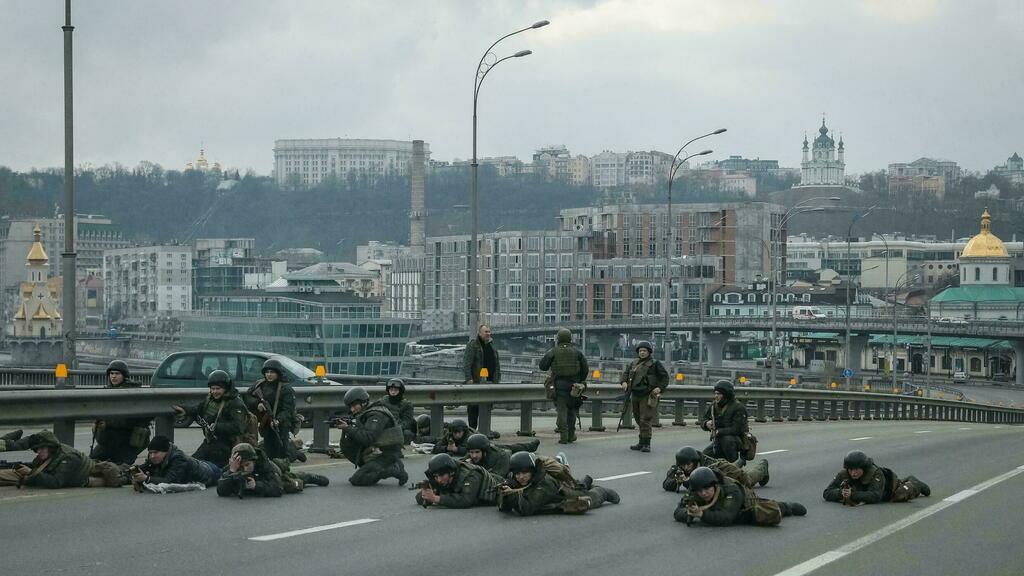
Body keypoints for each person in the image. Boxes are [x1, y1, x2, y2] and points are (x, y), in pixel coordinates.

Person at [674, 467, 806, 527]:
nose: (703, 493)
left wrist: (702, 514)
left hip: (745, 503)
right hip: (717, 509)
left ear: (715, 485)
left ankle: (787, 506)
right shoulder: (695, 489)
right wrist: (689, 513)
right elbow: (678, 511)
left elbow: (726, 518)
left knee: (762, 512)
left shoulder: (731, 489)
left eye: (707, 489)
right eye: (700, 491)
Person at [498, 451, 619, 516]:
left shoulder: (544, 484)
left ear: (532, 471)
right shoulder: (514, 479)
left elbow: (527, 508)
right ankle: (583, 482)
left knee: (589, 497)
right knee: (579, 485)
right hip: (553, 490)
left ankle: (602, 491)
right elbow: (504, 508)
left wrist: (511, 494)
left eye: (524, 473)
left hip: (563, 493)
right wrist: (505, 491)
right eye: (517, 474)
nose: (521, 477)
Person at [172, 370, 249, 468]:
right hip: (210, 442)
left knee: (207, 469)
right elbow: (198, 409)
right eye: (212, 389)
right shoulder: (210, 399)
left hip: (226, 447)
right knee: (190, 465)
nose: (215, 392)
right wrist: (185, 410)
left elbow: (238, 427)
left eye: (218, 389)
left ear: (226, 388)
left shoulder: (235, 403)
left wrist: (217, 426)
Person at [333, 387, 408, 486]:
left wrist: (348, 428)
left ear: (363, 402)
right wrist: (348, 425)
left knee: (357, 480)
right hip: (377, 451)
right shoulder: (365, 413)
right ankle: (372, 467)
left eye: (354, 405)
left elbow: (368, 438)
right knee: (349, 442)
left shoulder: (376, 415)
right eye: (350, 406)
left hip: (387, 454)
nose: (352, 409)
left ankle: (394, 468)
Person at [0, 430, 124, 489]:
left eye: (41, 449)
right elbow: (37, 469)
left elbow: (56, 482)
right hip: (71, 476)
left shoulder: (69, 458)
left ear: (50, 447)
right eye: (37, 449)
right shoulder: (48, 454)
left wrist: (31, 473)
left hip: (88, 477)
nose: (38, 452)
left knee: (119, 474)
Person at [90, 360, 151, 465]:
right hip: (109, 441)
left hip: (127, 441)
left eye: (117, 374)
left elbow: (134, 419)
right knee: (92, 463)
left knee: (120, 468)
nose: (114, 376)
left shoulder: (132, 392)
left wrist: (108, 422)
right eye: (111, 373)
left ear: (124, 375)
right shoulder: (106, 392)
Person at [243, 358, 303, 462]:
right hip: (266, 421)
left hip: (282, 423)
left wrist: (278, 420)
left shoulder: (285, 388)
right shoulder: (260, 384)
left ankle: (294, 454)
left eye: (272, 372)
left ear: (278, 373)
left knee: (282, 451)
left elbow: (288, 410)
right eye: (267, 372)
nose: (269, 375)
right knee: (269, 449)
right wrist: (257, 404)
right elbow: (247, 397)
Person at [823, 450, 931, 505]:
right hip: (866, 491)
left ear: (863, 468)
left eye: (856, 469)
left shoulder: (875, 473)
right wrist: (840, 493)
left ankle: (915, 483)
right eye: (850, 470)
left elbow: (875, 496)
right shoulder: (844, 474)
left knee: (900, 495)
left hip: (891, 489)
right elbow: (827, 492)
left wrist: (852, 495)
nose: (853, 473)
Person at [539, 328, 589, 444]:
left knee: (562, 410)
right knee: (571, 410)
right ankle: (571, 435)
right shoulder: (577, 352)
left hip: (559, 386)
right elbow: (585, 369)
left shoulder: (553, 351)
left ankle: (563, 436)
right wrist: (579, 381)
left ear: (558, 339)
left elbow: (542, 366)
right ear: (570, 339)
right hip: (574, 387)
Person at [619, 341, 669, 452]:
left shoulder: (655, 364)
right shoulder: (634, 363)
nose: (642, 353)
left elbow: (665, 378)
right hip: (635, 394)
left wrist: (659, 388)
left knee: (645, 419)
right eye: (640, 351)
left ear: (649, 352)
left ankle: (647, 444)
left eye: (644, 351)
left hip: (647, 394)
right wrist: (623, 382)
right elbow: (625, 374)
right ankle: (641, 442)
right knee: (638, 418)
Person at [129, 435, 221, 490]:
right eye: (150, 453)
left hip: (211, 473)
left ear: (165, 451)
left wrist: (146, 478)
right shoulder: (155, 458)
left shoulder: (178, 459)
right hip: (198, 463)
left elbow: (170, 481)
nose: (152, 456)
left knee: (222, 471)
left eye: (156, 452)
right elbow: (146, 467)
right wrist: (133, 473)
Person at [663, 446, 768, 493]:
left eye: (688, 464)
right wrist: (676, 480)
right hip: (723, 467)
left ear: (694, 461)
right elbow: (666, 484)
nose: (686, 468)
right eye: (683, 465)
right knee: (735, 466)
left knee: (747, 480)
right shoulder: (679, 467)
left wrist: (687, 481)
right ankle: (740, 462)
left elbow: (708, 484)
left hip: (724, 469)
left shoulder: (709, 466)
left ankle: (763, 466)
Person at [415, 453, 502, 508]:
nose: (439, 480)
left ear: (451, 472)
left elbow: (465, 500)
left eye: (441, 475)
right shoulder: (440, 478)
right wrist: (427, 493)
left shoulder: (471, 475)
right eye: (436, 476)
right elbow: (419, 498)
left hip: (497, 488)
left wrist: (436, 498)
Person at [698, 380, 749, 462]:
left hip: (735, 440)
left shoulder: (738, 407)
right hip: (718, 440)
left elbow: (737, 429)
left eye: (719, 394)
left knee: (727, 440)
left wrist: (719, 431)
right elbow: (703, 419)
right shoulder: (714, 406)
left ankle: (733, 462)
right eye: (715, 393)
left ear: (726, 395)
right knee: (704, 457)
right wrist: (706, 423)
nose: (716, 396)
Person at [463, 324, 501, 429]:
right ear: (480, 333)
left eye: (489, 332)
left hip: (490, 382)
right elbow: (467, 363)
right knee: (474, 408)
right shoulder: (473, 345)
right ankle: (472, 430)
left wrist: (497, 379)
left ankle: (485, 430)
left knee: (486, 407)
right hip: (476, 382)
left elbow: (497, 364)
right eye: (486, 332)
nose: (488, 334)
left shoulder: (492, 346)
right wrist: (469, 378)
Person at [463, 433, 541, 477]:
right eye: (472, 452)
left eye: (477, 452)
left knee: (515, 448)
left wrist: (474, 469)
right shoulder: (472, 454)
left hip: (508, 454)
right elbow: (459, 464)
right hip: (494, 448)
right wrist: (465, 465)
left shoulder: (501, 457)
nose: (474, 456)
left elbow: (498, 477)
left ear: (484, 452)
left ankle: (531, 445)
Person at [381, 378, 416, 444]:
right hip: (384, 428)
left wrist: (395, 428)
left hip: (399, 430)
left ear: (400, 391)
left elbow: (407, 422)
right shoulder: (383, 401)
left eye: (395, 390)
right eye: (391, 390)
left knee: (407, 434)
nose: (393, 392)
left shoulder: (406, 404)